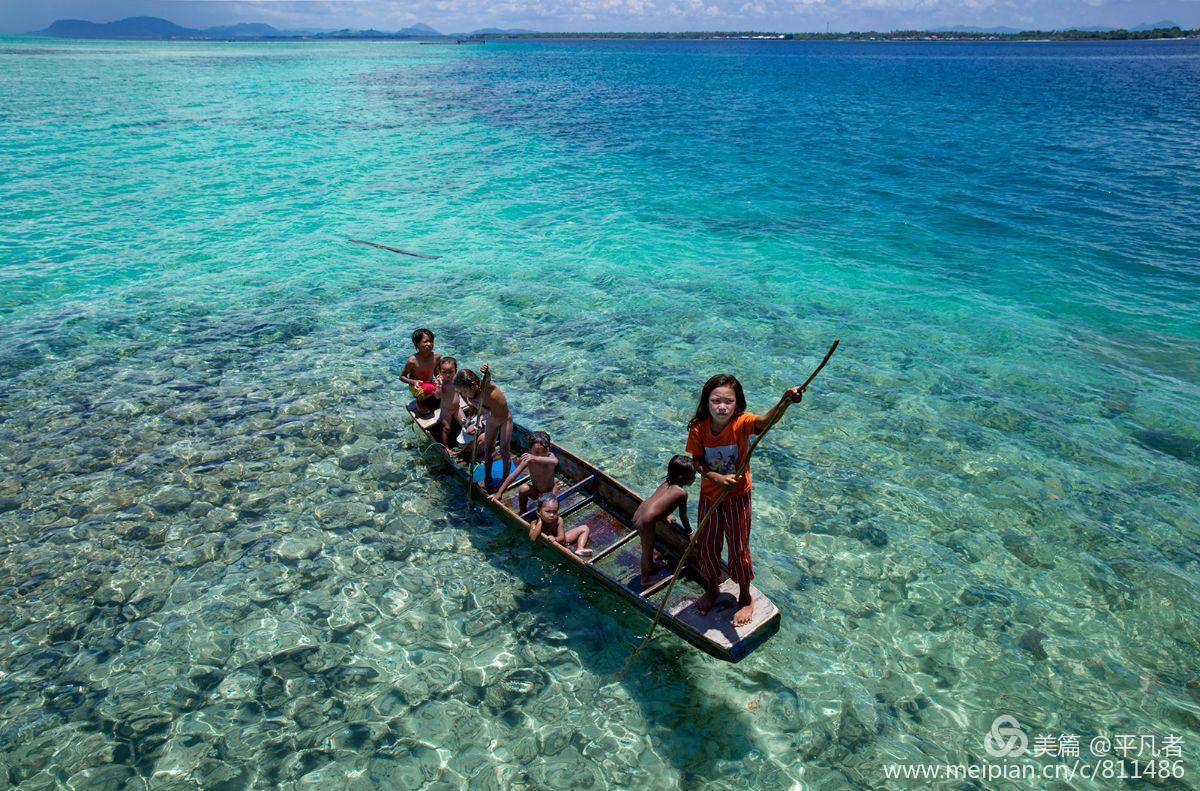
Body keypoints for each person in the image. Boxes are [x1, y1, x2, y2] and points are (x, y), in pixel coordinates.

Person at [686, 374, 804, 627]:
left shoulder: (741, 423)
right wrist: (717, 477)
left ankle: (745, 597)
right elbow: (697, 463)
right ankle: (712, 588)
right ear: (706, 402)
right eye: (715, 400)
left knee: (738, 548)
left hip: (738, 498)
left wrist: (785, 400)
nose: (722, 407)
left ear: (737, 404)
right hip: (710, 496)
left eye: (728, 401)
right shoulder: (699, 427)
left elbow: (763, 423)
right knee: (708, 544)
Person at [632, 455, 696, 589]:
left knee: (649, 545)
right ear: (681, 478)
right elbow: (683, 516)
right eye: (692, 475)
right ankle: (645, 579)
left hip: (638, 514)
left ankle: (651, 565)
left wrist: (665, 515)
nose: (694, 478)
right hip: (645, 523)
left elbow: (658, 502)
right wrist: (690, 532)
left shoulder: (665, 483)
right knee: (647, 550)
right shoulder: (682, 493)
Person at [453, 364, 513, 491]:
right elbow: (483, 411)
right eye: (461, 392)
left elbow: (487, 378)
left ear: (474, 385)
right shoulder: (470, 396)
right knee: (488, 449)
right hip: (492, 420)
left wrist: (486, 372)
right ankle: (487, 478)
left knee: (504, 450)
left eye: (464, 391)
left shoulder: (485, 387)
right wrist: (477, 424)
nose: (463, 394)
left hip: (505, 420)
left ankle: (505, 480)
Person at [491, 431, 558, 513]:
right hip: (537, 493)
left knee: (551, 500)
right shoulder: (528, 460)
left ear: (548, 449)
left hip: (550, 492)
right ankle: (523, 511)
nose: (540, 455)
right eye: (536, 452)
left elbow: (555, 461)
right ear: (530, 450)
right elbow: (513, 476)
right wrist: (499, 492)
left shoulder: (549, 456)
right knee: (523, 488)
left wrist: (534, 457)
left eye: (544, 451)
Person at [400, 329, 440, 417]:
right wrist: (413, 382)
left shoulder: (436, 356)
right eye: (425, 342)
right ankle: (420, 402)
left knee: (446, 385)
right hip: (417, 386)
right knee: (427, 389)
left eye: (431, 341)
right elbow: (402, 377)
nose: (429, 344)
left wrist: (439, 377)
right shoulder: (412, 360)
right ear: (416, 344)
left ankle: (431, 397)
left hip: (429, 383)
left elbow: (436, 371)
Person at [434, 356, 464, 448]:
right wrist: (439, 386)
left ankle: (465, 441)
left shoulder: (457, 380)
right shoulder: (441, 383)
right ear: (440, 372)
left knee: (465, 424)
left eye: (451, 372)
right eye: (444, 372)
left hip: (457, 408)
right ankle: (446, 447)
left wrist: (469, 402)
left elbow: (462, 392)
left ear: (456, 370)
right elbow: (437, 396)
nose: (448, 375)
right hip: (446, 410)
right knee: (446, 428)